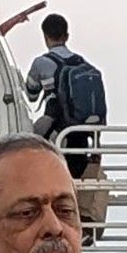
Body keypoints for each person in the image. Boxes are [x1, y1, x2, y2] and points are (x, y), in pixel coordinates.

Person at [25, 13, 100, 175]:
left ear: (45, 37)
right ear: (66, 36)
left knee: (24, 142)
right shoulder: (84, 65)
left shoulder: (41, 63)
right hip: (82, 138)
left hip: (55, 130)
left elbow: (31, 95)